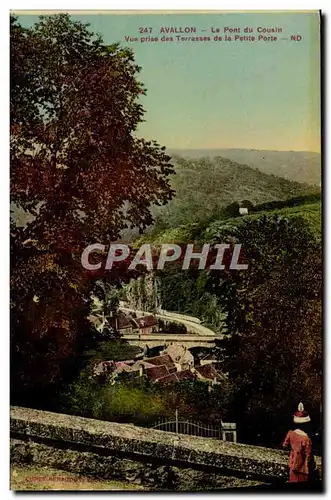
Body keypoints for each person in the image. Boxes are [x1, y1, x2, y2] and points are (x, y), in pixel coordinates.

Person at [282, 402, 316, 483]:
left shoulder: (290, 433)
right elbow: (308, 455)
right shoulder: (307, 439)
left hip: (292, 462)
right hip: (303, 468)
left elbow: (284, 445)